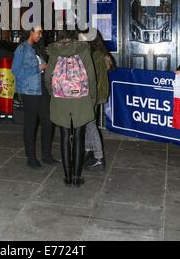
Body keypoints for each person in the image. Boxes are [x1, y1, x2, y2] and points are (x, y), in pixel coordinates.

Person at [45, 29, 97, 187]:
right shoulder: (83, 49)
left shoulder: (54, 51)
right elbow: (91, 76)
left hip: (60, 99)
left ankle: (67, 176)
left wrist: (52, 92)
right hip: (81, 98)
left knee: (65, 136)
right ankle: (76, 176)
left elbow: (48, 77)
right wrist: (92, 98)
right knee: (79, 137)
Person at [12, 26, 55, 168]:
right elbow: (15, 71)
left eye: (41, 32)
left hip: (42, 88)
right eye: (38, 32)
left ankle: (46, 155)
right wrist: (38, 68)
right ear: (30, 32)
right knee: (31, 124)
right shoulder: (21, 49)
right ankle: (31, 157)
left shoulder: (38, 48)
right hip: (29, 91)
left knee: (47, 122)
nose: (40, 35)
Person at [78, 29, 113, 171]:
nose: (79, 41)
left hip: (92, 94)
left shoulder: (95, 56)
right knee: (87, 124)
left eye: (81, 39)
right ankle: (90, 151)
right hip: (95, 93)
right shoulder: (97, 54)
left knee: (90, 124)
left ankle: (98, 157)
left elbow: (93, 78)